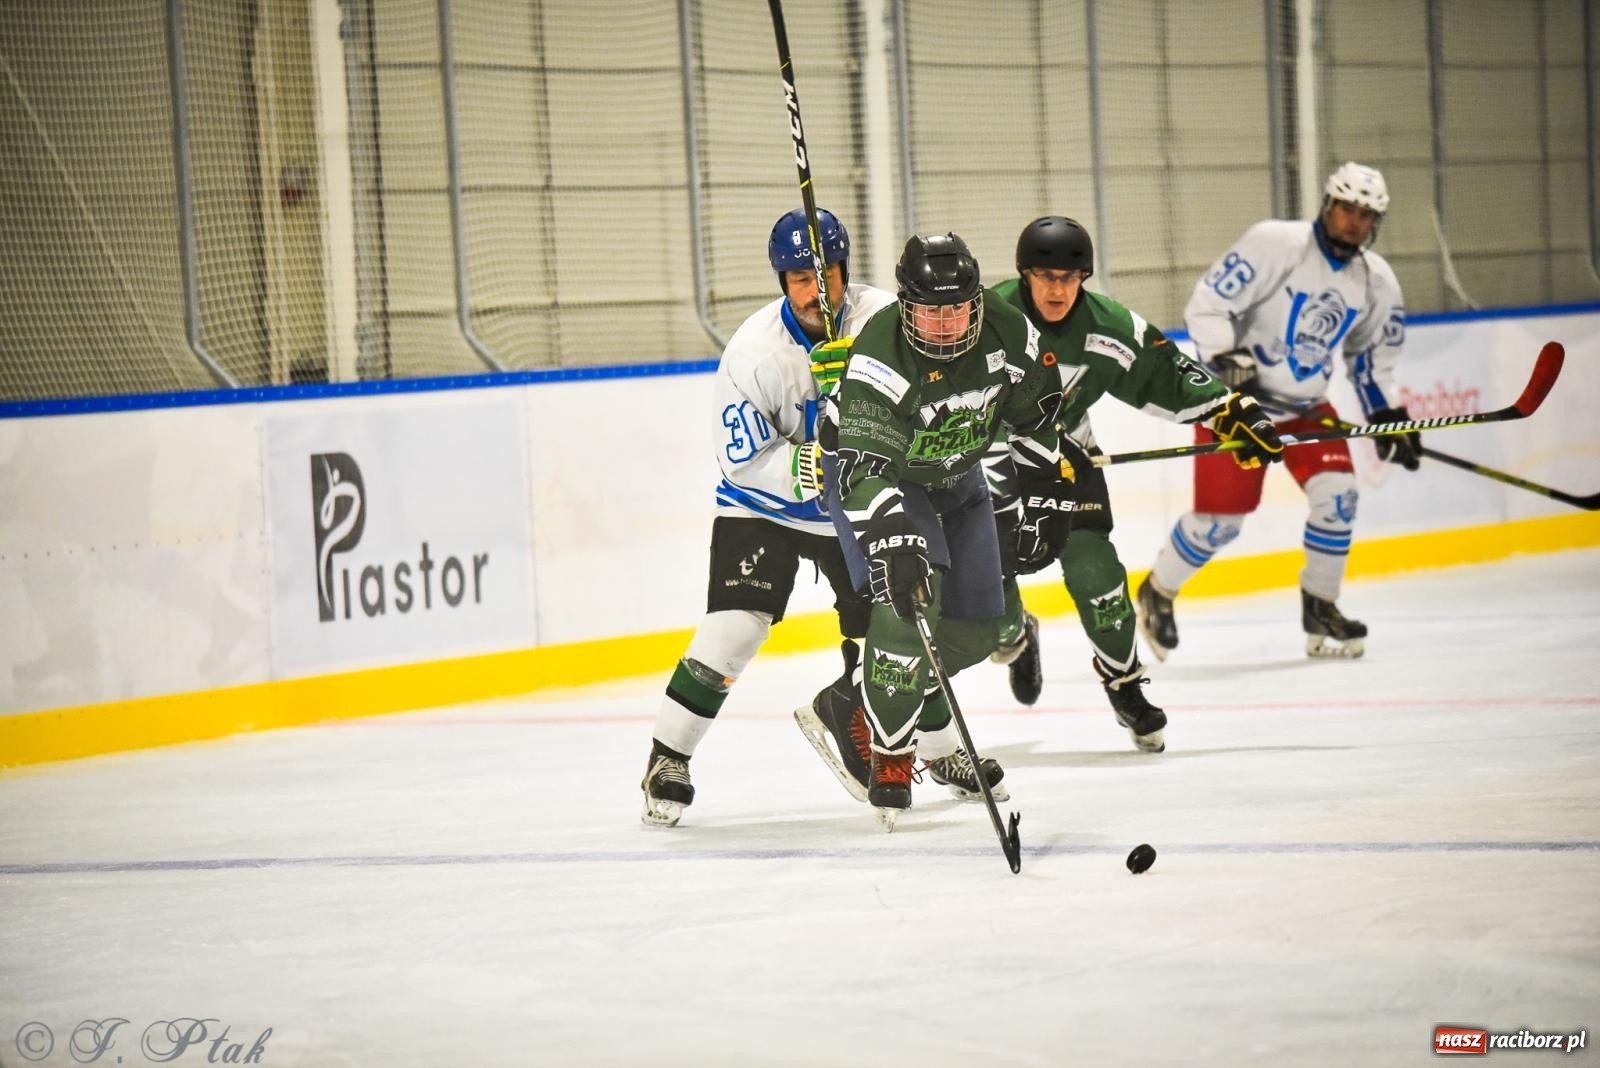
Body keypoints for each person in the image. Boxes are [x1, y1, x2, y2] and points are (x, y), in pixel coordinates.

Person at [981, 216, 1285, 752]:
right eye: (1046, 276)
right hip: (990, 463)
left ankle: (1124, 683)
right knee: (991, 604)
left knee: (1097, 571)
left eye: (1069, 278)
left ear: (1085, 279)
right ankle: (1014, 633)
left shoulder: (1109, 327)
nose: (1057, 289)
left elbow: (1166, 373)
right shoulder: (985, 318)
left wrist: (1231, 412)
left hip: (1065, 459)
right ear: (1025, 275)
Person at [815, 231, 1085, 829]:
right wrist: (892, 537)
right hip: (880, 478)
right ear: (908, 306)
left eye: (956, 309)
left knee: (978, 629)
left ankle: (856, 694)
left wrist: (1043, 497)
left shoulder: (1010, 332)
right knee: (909, 604)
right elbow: (862, 467)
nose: (943, 325)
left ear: (977, 301)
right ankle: (893, 754)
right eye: (931, 312)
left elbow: (1036, 414)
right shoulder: (880, 354)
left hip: (957, 477)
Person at [639, 207, 895, 828]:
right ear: (783, 281)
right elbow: (740, 462)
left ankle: (923, 747)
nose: (815, 291)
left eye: (825, 275)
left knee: (896, 624)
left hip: (854, 507)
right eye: (800, 278)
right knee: (733, 629)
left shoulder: (885, 322)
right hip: (764, 508)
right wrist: (816, 462)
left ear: (844, 270)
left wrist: (860, 397)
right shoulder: (753, 353)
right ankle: (667, 757)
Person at [1139, 162, 1417, 661]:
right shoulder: (1276, 245)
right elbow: (1208, 304)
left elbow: (1372, 358)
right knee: (1220, 523)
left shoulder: (1377, 281)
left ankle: (1321, 605)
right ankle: (1157, 592)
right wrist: (1224, 358)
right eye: (1347, 209)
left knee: (1339, 496)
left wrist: (1388, 417)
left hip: (1307, 407)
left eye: (1366, 215)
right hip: (1238, 410)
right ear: (1328, 207)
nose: (1355, 222)